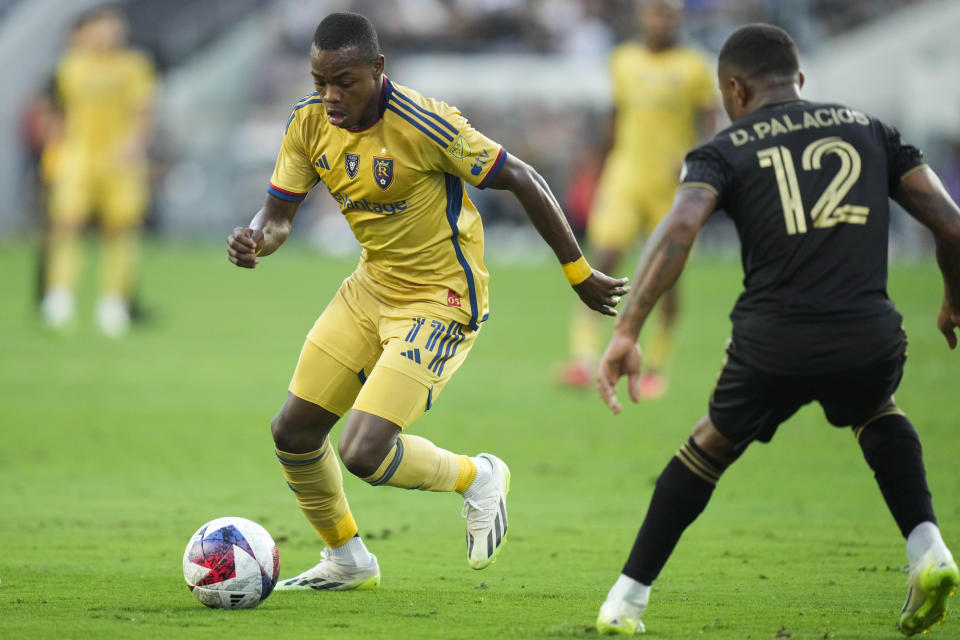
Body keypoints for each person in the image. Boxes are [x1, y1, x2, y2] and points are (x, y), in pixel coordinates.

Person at [226, 12, 627, 591]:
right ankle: (347, 559)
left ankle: (478, 476)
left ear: (377, 68)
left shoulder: (426, 123)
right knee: (292, 432)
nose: (330, 96)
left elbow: (524, 178)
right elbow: (277, 216)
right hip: (369, 290)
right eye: (319, 82)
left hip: (441, 301)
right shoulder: (310, 123)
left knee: (363, 450)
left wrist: (577, 270)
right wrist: (254, 239)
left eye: (344, 81)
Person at [594, 23, 960, 636]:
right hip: (868, 334)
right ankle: (930, 549)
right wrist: (952, 297)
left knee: (710, 445)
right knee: (877, 408)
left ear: (734, 90)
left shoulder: (726, 147)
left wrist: (628, 329)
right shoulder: (870, 129)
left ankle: (625, 602)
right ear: (800, 80)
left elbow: (679, 230)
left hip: (773, 341)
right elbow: (950, 225)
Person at [561, 0, 716, 398]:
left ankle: (656, 368)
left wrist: (695, 158)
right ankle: (582, 358)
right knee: (603, 260)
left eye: (668, 12)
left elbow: (711, 127)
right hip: (624, 175)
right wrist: (596, 166)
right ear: (643, 16)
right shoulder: (623, 60)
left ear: (677, 17)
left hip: (669, 185)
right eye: (654, 11)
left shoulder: (695, 67)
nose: (661, 19)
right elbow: (616, 116)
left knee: (667, 276)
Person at [40, 5, 156, 337]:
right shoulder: (70, 66)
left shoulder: (134, 66)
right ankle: (59, 297)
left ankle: (114, 303)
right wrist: (55, 149)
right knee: (66, 226)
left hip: (119, 160)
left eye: (115, 27)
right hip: (77, 157)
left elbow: (143, 110)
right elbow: (55, 112)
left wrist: (133, 145)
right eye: (103, 27)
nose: (110, 34)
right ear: (88, 31)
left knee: (120, 230)